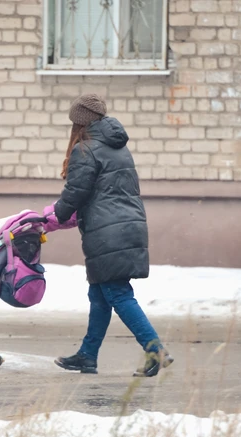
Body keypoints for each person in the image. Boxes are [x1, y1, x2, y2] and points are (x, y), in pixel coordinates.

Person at [42, 93, 173, 377]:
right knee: (100, 295)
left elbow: (77, 191)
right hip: (128, 225)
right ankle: (87, 356)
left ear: (80, 122)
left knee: (118, 293)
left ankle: (155, 350)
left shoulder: (86, 150)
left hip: (107, 232)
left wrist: (55, 215)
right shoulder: (118, 148)